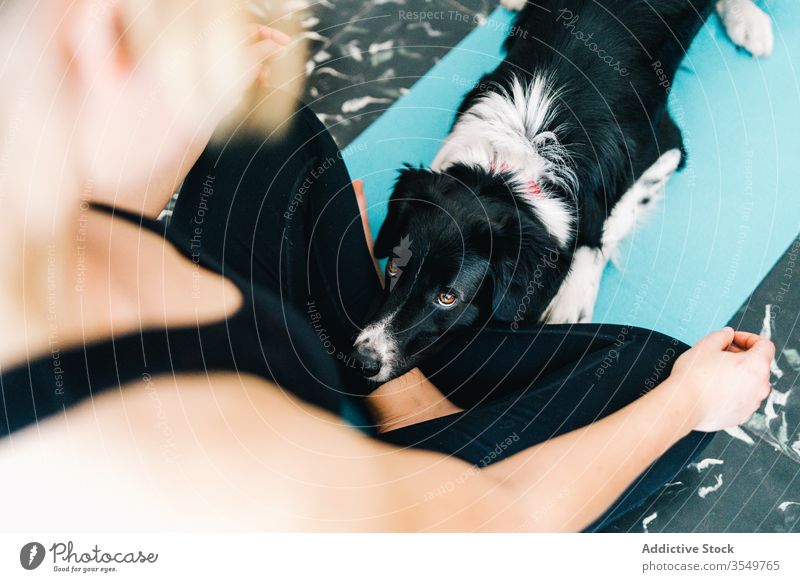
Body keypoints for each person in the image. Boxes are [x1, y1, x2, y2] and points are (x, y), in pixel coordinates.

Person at [0, 0, 774, 532]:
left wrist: (207, 111)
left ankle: (396, 385)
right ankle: (412, 413)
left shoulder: (39, 217)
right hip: (390, 501)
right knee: (651, 373)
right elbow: (495, 527)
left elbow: (106, 199)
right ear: (102, 40)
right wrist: (687, 401)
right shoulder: (181, 443)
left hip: (286, 384)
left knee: (270, 132)